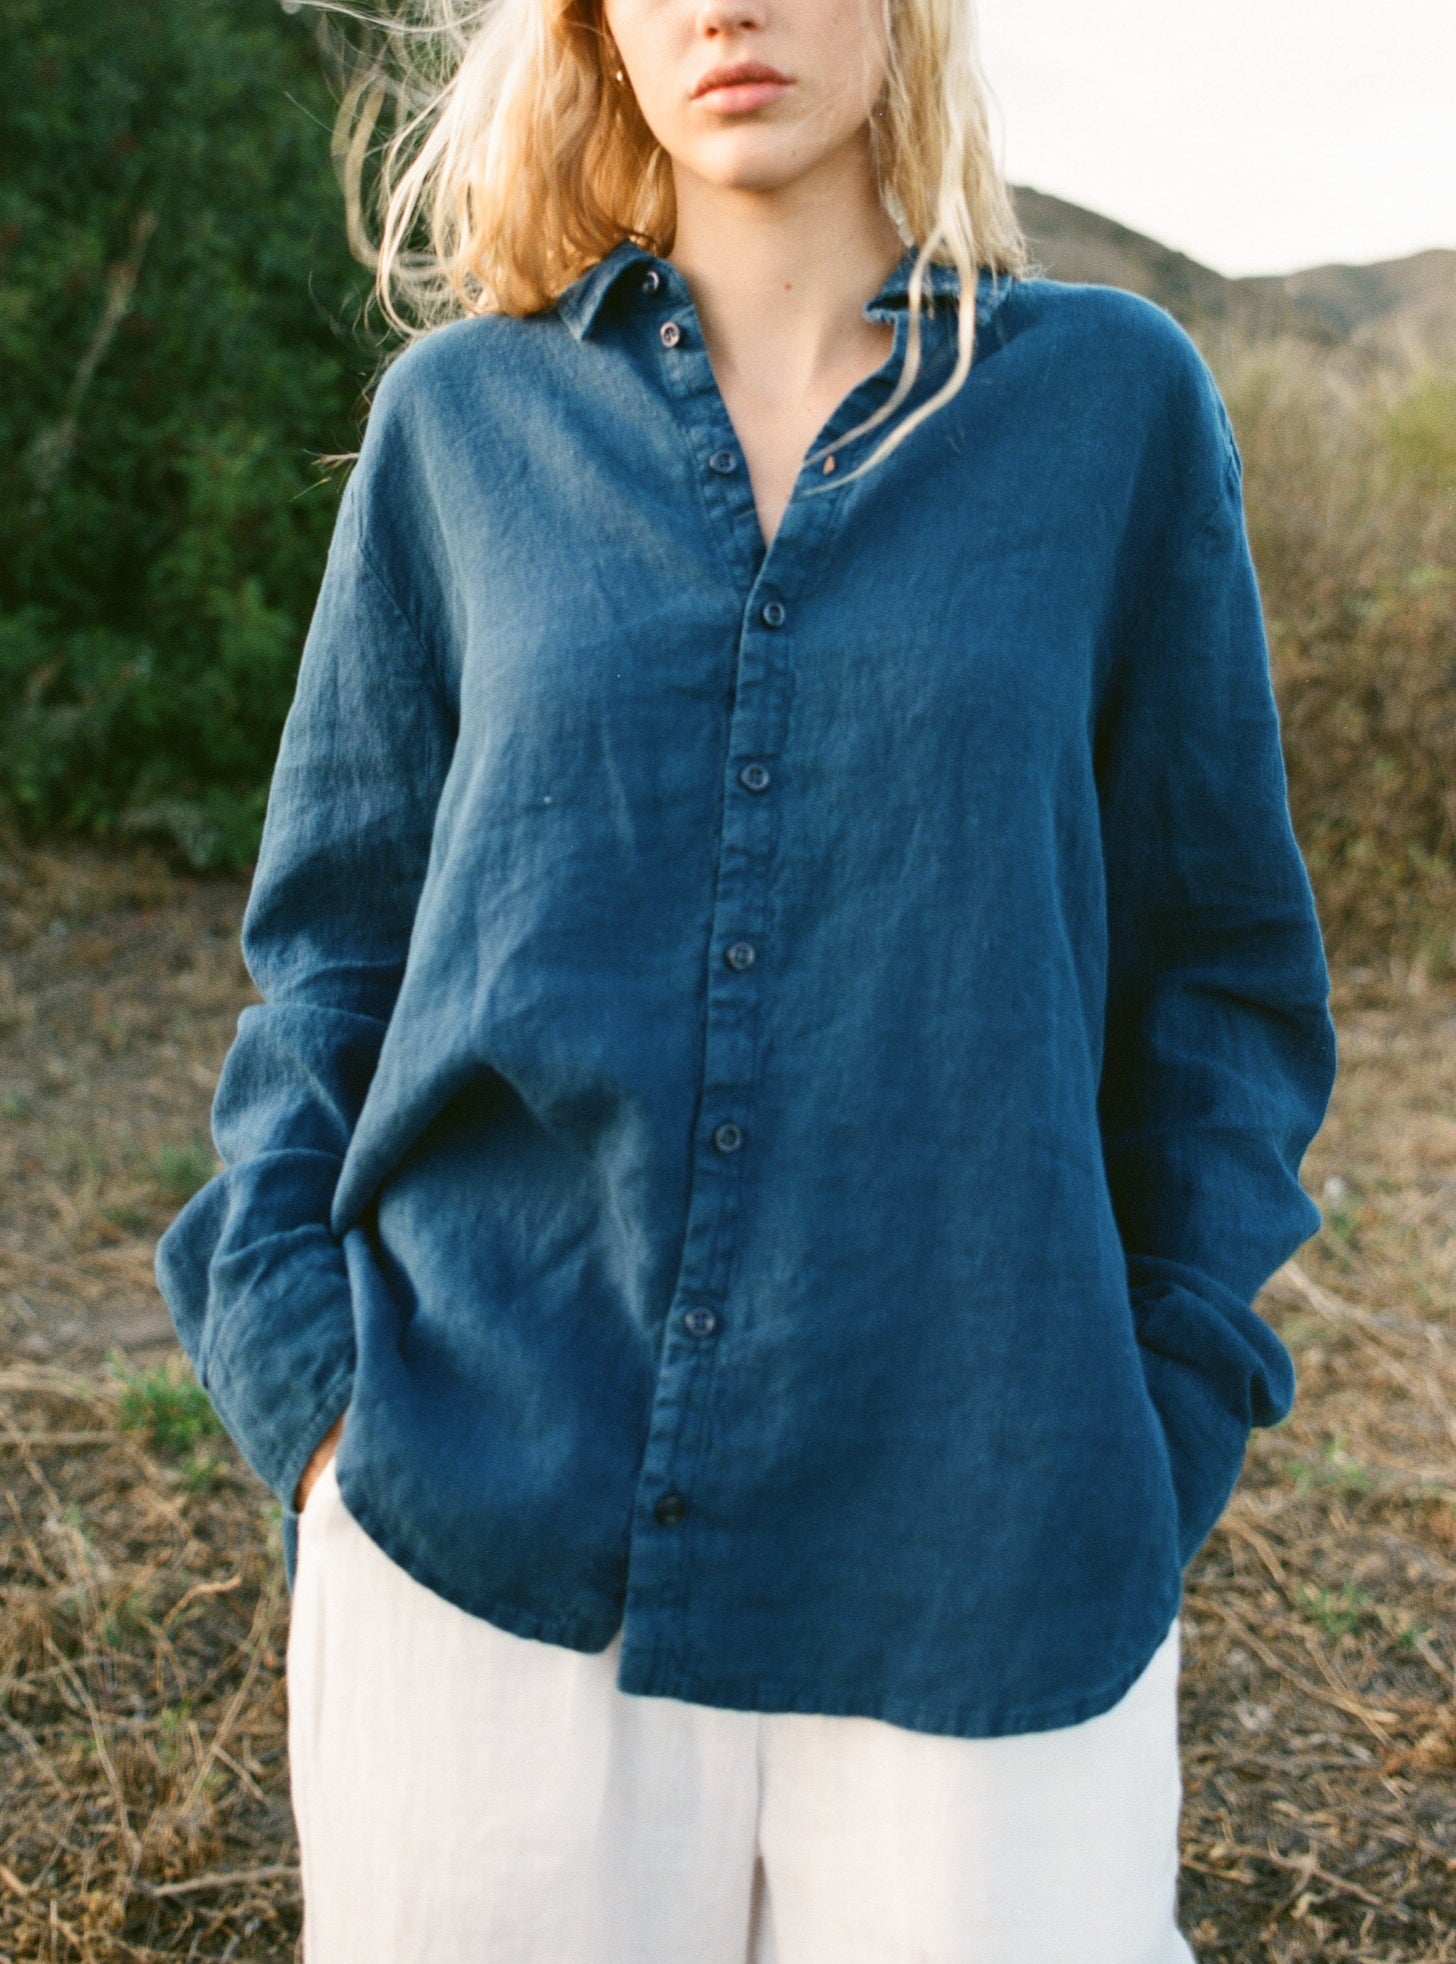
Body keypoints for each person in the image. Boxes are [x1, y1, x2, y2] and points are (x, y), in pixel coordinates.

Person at [155, 0, 1339, 1958]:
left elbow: (1217, 976)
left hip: (991, 1538)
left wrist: (1163, 1411)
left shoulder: (1110, 409)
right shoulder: (463, 425)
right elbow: (333, 951)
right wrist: (312, 1399)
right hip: (481, 1516)